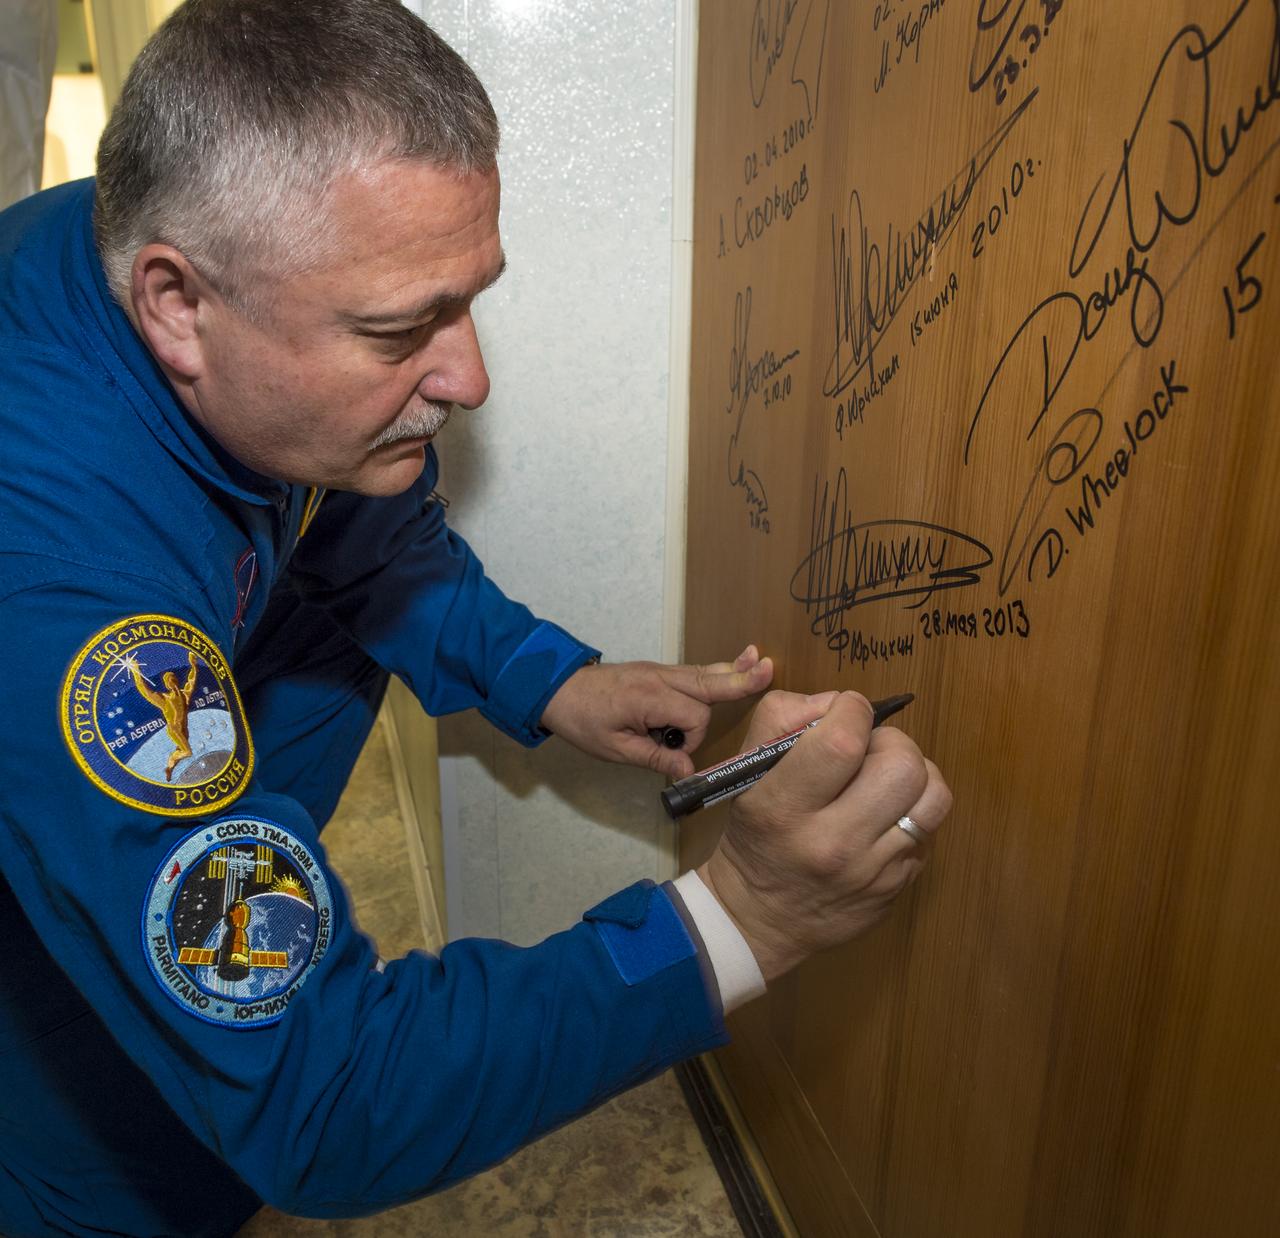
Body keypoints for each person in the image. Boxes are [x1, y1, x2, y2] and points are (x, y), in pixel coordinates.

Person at [0, 2, 952, 1234]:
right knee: (142, 1157)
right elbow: (330, 1095)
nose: (470, 379)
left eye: (465, 303)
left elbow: (362, 524)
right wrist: (745, 916)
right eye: (399, 329)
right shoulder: (64, 595)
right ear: (176, 307)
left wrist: (548, 678)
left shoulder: (172, 248)